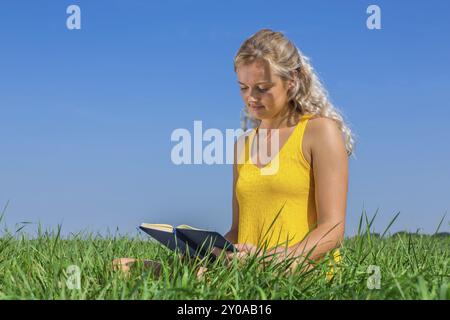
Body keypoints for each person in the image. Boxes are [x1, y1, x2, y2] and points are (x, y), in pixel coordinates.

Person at [113, 28, 354, 278]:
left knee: (182, 277)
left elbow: (333, 229)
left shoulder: (319, 131)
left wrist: (276, 259)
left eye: (262, 88)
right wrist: (204, 251)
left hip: (299, 268)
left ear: (291, 82)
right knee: (123, 266)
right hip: (247, 269)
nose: (251, 98)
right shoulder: (243, 145)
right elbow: (238, 231)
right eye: (244, 88)